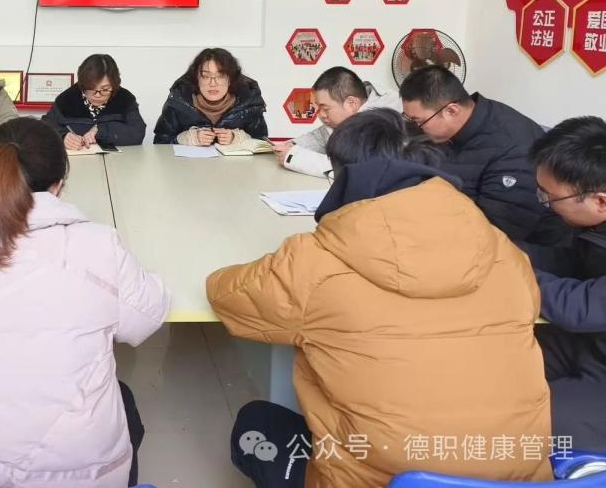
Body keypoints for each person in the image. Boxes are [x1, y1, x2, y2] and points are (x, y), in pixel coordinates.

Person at [207, 109, 551, 488]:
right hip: (519, 478)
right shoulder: (504, 252)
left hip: (377, 479)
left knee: (256, 424)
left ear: (346, 175)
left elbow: (228, 296)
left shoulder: (314, 260)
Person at [0, 118, 169, 487]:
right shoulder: (98, 244)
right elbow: (146, 318)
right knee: (124, 401)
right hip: (81, 472)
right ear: (59, 183)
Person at [399, 65, 565, 244]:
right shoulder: (449, 124)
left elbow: (494, 232)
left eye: (419, 121)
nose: (416, 127)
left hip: (518, 246)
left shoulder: (513, 149)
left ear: (451, 111)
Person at [525, 116, 606, 450]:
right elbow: (572, 262)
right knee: (500, 352)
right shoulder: (594, 226)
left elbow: (581, 307)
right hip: (591, 342)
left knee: (524, 419)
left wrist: (513, 269)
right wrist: (504, 249)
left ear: (600, 201)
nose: (545, 205)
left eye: (550, 198)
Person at [276, 66, 400, 177]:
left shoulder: (385, 118)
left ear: (351, 103)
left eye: (325, 109)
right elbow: (322, 137)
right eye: (318, 107)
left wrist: (294, 157)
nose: (320, 115)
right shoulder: (347, 115)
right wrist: (292, 145)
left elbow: (358, 168)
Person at [153, 48, 267, 147]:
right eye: (205, 76)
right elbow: (160, 143)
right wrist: (187, 138)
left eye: (220, 76)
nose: (213, 83)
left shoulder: (248, 103)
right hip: (190, 165)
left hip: (234, 165)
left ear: (230, 79)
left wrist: (237, 138)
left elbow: (262, 142)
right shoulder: (179, 102)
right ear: (197, 79)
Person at [43, 53, 146, 148]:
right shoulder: (66, 99)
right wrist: (62, 137)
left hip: (118, 159)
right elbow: (44, 128)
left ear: (114, 85)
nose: (97, 95)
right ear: (82, 85)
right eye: (91, 89)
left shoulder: (125, 99)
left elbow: (138, 133)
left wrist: (101, 131)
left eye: (105, 89)